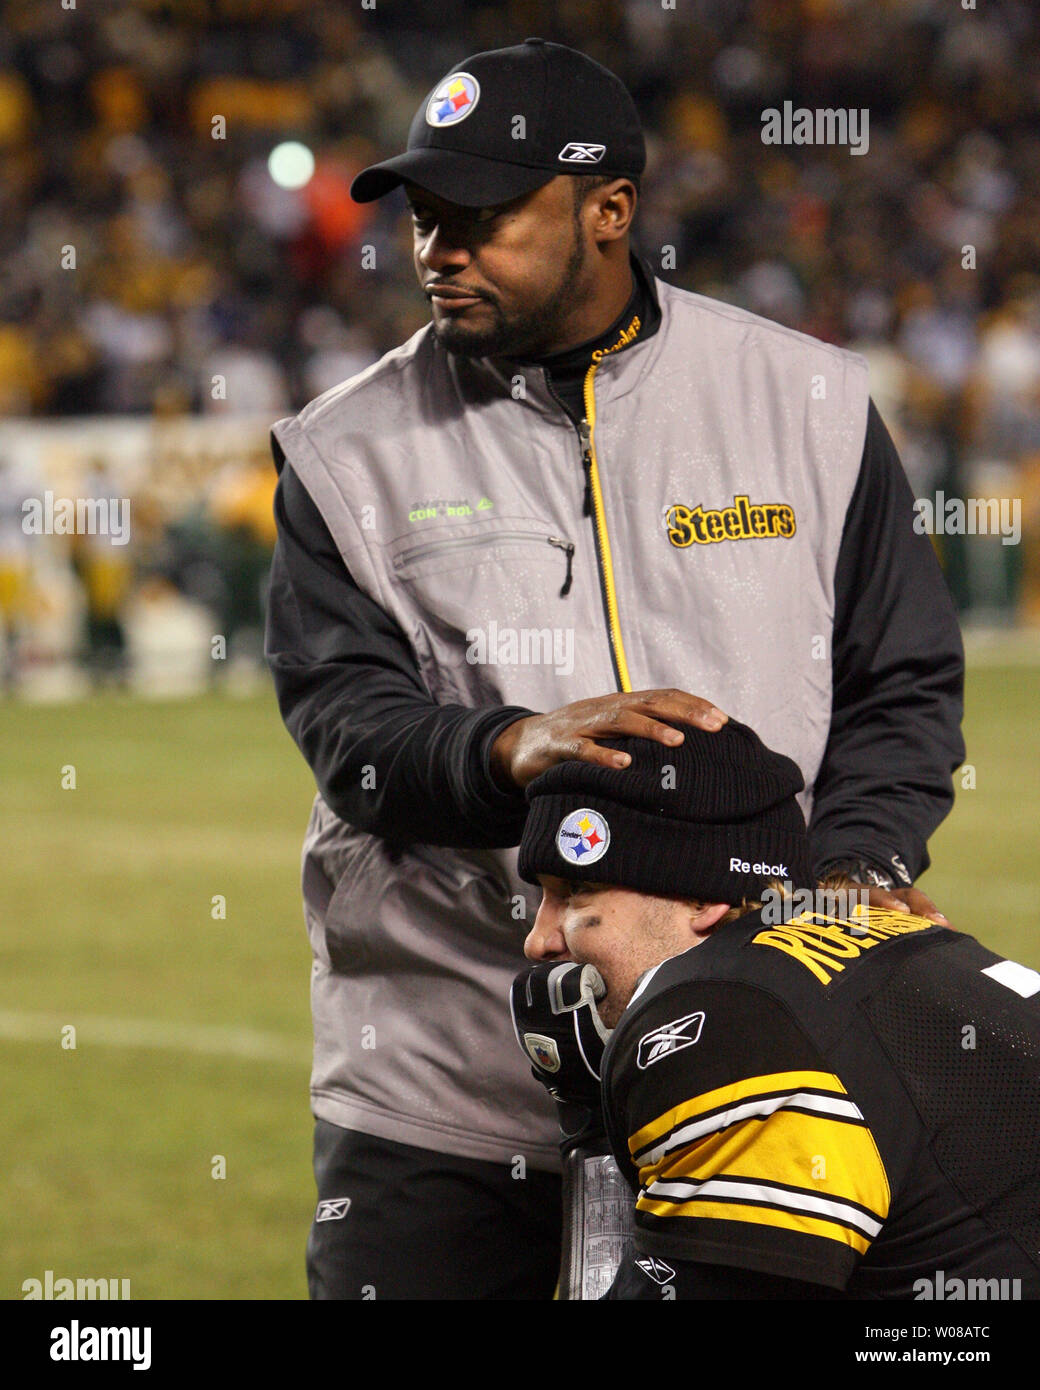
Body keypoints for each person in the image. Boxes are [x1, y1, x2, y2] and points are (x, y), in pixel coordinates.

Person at [264, 38, 965, 1299]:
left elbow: (897, 681)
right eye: (426, 219)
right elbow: (346, 721)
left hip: (751, 1059)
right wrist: (504, 747)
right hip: (444, 1091)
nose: (439, 251)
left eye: (480, 217)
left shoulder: (801, 400)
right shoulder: (342, 451)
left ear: (608, 211)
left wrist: (855, 868)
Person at [514, 717, 1040, 1300]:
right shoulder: (871, 929)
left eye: (574, 893)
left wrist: (590, 1120)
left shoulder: (720, 1026)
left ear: (702, 897)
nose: (538, 941)